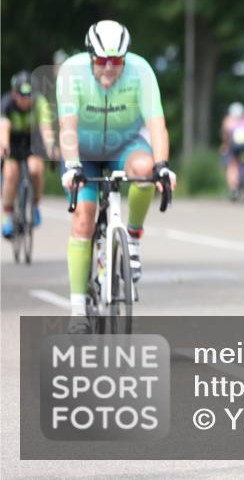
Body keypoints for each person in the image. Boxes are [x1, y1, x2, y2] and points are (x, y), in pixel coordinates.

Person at [57, 20, 176, 330]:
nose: (109, 68)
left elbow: (156, 125)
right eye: (102, 60)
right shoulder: (71, 72)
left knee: (146, 170)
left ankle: (133, 237)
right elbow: (67, 128)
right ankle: (78, 311)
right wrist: (72, 167)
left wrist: (162, 165)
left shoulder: (141, 71)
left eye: (117, 61)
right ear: (89, 56)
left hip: (126, 144)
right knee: (83, 218)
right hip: (84, 152)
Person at [1, 71, 57, 237]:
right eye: (22, 95)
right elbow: (3, 129)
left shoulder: (39, 103)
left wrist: (50, 146)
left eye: (29, 95)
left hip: (33, 141)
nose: (26, 99)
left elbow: (46, 128)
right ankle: (8, 216)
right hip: (13, 142)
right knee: (10, 174)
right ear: (14, 93)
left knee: (36, 170)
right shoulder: (6, 104)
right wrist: (3, 145)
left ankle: (35, 205)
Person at [220, 102, 244, 200]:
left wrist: (225, 146)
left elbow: (226, 135)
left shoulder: (228, 120)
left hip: (235, 146)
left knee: (232, 166)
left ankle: (233, 189)